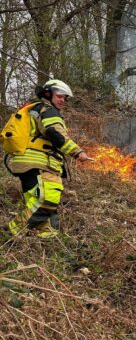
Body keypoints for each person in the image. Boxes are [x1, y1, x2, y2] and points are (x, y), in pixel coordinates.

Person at [6, 79, 92, 238]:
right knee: (47, 200)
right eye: (60, 96)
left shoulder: (35, 110)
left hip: (27, 164)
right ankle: (11, 231)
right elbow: (54, 133)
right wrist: (77, 152)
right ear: (48, 94)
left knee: (39, 202)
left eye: (65, 98)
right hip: (39, 163)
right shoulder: (48, 111)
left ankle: (46, 238)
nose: (63, 100)